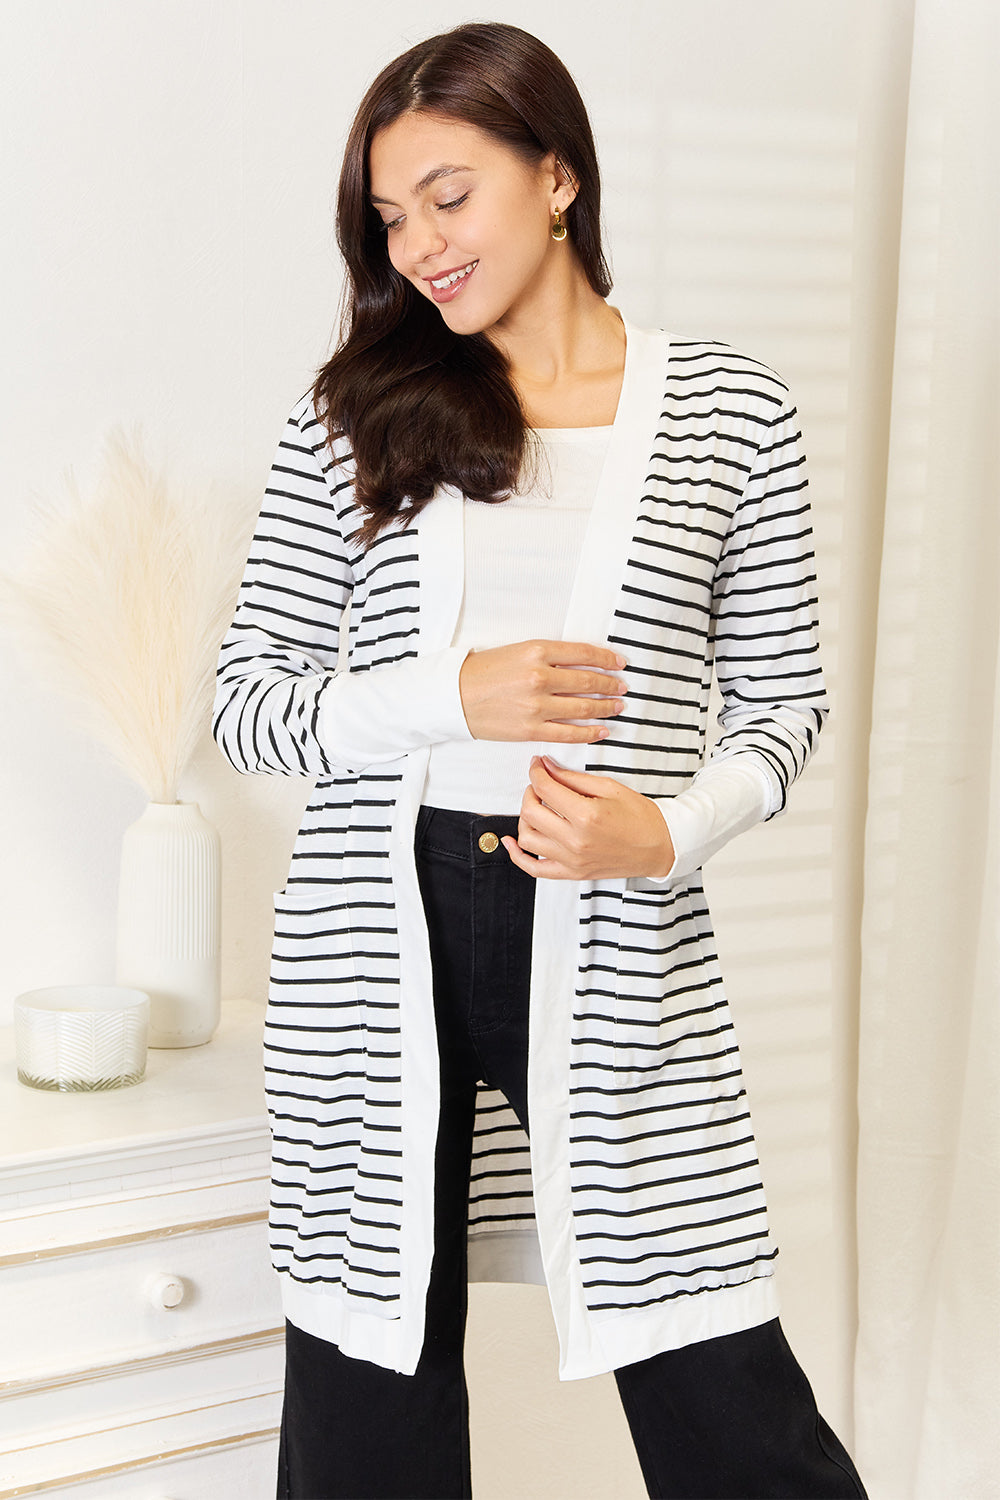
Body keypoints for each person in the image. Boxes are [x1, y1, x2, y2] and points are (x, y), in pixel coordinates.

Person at [214, 21, 867, 1500]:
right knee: (367, 1381)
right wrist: (450, 693)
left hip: (610, 924)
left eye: (450, 196)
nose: (421, 245)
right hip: (373, 942)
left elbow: (784, 706)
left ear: (557, 174)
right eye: (390, 219)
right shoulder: (352, 413)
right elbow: (251, 700)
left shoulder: (728, 413)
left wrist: (666, 831)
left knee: (718, 1375)